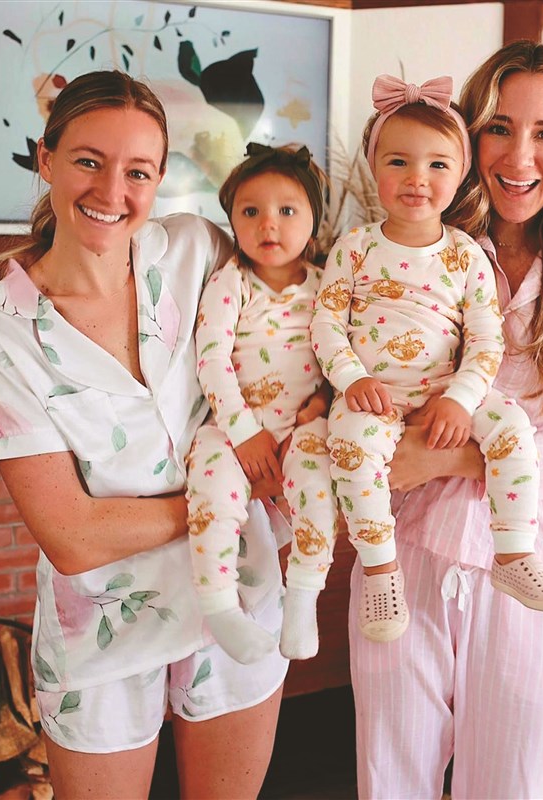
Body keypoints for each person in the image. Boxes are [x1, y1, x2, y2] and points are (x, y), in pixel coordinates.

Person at [0, 70, 291, 800]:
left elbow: (287, 350)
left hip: (238, 595)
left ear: (159, 178)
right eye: (88, 161)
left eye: (137, 171)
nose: (112, 190)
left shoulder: (198, 252)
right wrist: (228, 500)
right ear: (46, 159)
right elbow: (72, 536)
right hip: (101, 633)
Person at [348, 41, 543, 799]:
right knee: (390, 782)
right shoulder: (413, 246)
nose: (520, 156)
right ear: (466, 136)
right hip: (402, 554)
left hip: (528, 564)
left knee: (509, 786)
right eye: (498, 128)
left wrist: (448, 459)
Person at [311, 74, 543, 644]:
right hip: (373, 397)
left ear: (461, 175)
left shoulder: (465, 254)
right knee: (350, 446)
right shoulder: (354, 249)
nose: (417, 178)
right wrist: (351, 378)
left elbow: (486, 339)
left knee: (513, 426)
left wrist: (460, 399)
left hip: (445, 393)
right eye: (398, 162)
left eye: (437, 165)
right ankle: (381, 572)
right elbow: (326, 323)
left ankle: (513, 553)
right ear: (373, 167)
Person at [186, 142, 337, 663]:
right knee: (210, 490)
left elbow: (341, 356)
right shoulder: (230, 283)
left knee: (319, 489)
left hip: (303, 427)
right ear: (232, 221)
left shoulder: (327, 287)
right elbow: (211, 360)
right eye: (250, 212)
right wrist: (243, 432)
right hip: (235, 426)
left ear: (313, 223)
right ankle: (220, 606)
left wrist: (323, 402)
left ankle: (303, 599)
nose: (268, 224)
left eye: (287, 211)